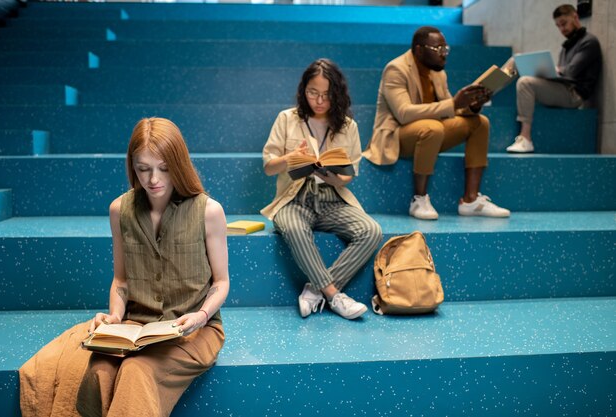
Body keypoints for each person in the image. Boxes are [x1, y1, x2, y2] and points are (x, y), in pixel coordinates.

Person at [19, 117, 229, 417]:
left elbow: (221, 283)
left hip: (194, 330)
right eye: (143, 169)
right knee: (99, 370)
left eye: (163, 168)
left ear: (178, 165)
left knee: (136, 371)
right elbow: (121, 281)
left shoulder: (209, 211)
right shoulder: (120, 210)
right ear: (132, 167)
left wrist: (201, 315)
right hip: (135, 325)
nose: (153, 179)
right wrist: (114, 315)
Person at [262, 59, 382, 320]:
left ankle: (314, 291)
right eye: (312, 93)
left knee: (371, 231)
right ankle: (334, 295)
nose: (318, 101)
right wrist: (290, 158)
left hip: (332, 198)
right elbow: (269, 167)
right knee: (292, 227)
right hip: (294, 198)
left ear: (337, 95)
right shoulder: (286, 119)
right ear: (303, 90)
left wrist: (332, 177)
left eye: (326, 96)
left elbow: (348, 177)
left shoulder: (348, 126)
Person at [363, 26, 510, 220]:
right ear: (419, 49)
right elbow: (403, 113)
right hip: (397, 135)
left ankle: (470, 200)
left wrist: (472, 105)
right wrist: (453, 104)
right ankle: (419, 199)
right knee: (432, 127)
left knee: (480, 122)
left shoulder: (438, 73)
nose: (444, 55)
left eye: (445, 49)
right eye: (438, 49)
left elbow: (450, 110)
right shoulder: (396, 69)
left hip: (432, 132)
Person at [506, 4, 602, 153]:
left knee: (525, 83)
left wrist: (554, 70)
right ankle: (487, 93)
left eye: (564, 24)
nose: (562, 29)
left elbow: (570, 72)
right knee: (515, 61)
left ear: (575, 17)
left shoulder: (589, 42)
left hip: (574, 94)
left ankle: (525, 138)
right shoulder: (566, 47)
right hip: (562, 88)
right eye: (558, 26)